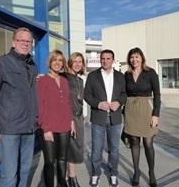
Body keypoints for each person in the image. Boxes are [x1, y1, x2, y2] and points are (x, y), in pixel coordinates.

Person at [0, 27, 38, 187]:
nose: (26, 44)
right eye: (22, 40)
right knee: (9, 175)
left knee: (25, 170)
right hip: (9, 130)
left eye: (28, 41)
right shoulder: (1, 63)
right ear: (14, 42)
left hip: (29, 129)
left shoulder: (32, 65)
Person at [84, 49, 127, 187]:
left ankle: (113, 174)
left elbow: (124, 94)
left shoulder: (120, 76)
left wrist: (119, 102)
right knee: (96, 149)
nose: (105, 61)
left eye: (108, 58)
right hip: (98, 118)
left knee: (114, 149)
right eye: (103, 58)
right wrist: (98, 104)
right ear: (100, 59)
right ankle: (96, 174)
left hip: (115, 118)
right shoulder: (92, 76)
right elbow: (87, 94)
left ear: (113, 60)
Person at [123, 47, 161, 187]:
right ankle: (136, 172)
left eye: (137, 57)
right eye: (132, 57)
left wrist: (155, 114)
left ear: (142, 58)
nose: (134, 59)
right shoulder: (126, 74)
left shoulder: (150, 73)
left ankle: (151, 172)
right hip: (131, 110)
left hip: (147, 110)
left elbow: (157, 94)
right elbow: (122, 93)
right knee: (134, 142)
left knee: (148, 143)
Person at [37, 49, 76, 187]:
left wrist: (71, 122)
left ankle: (62, 183)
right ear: (50, 62)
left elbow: (68, 102)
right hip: (49, 127)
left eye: (60, 60)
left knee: (62, 159)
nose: (57, 63)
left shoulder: (64, 81)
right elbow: (40, 106)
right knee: (49, 161)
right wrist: (45, 128)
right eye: (55, 60)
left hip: (65, 125)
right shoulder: (42, 80)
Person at [63, 52, 86, 187]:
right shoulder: (63, 77)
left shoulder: (80, 80)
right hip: (66, 118)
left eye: (80, 62)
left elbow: (80, 102)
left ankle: (72, 178)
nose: (77, 64)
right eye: (75, 61)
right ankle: (65, 178)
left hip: (78, 118)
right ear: (70, 62)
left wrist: (82, 120)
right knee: (66, 149)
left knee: (76, 149)